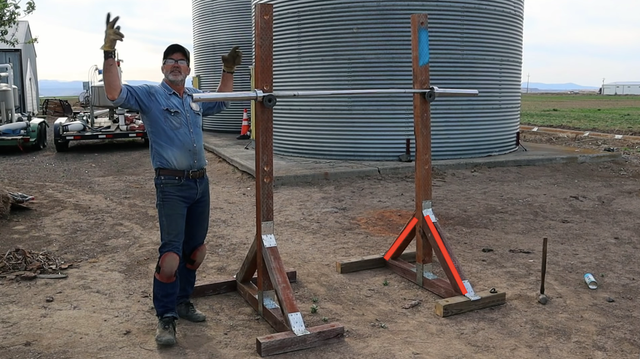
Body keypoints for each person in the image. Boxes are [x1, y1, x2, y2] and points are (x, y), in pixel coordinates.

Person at [100, 13, 242, 346]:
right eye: (170, 61)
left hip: (200, 184)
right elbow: (113, 92)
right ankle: (166, 318)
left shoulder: (194, 96)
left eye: (182, 61)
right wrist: (108, 53)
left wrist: (229, 70)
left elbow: (223, 100)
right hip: (171, 186)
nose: (176, 65)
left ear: (189, 69)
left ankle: (182, 300)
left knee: (196, 251)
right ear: (163, 68)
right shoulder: (150, 95)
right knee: (171, 257)